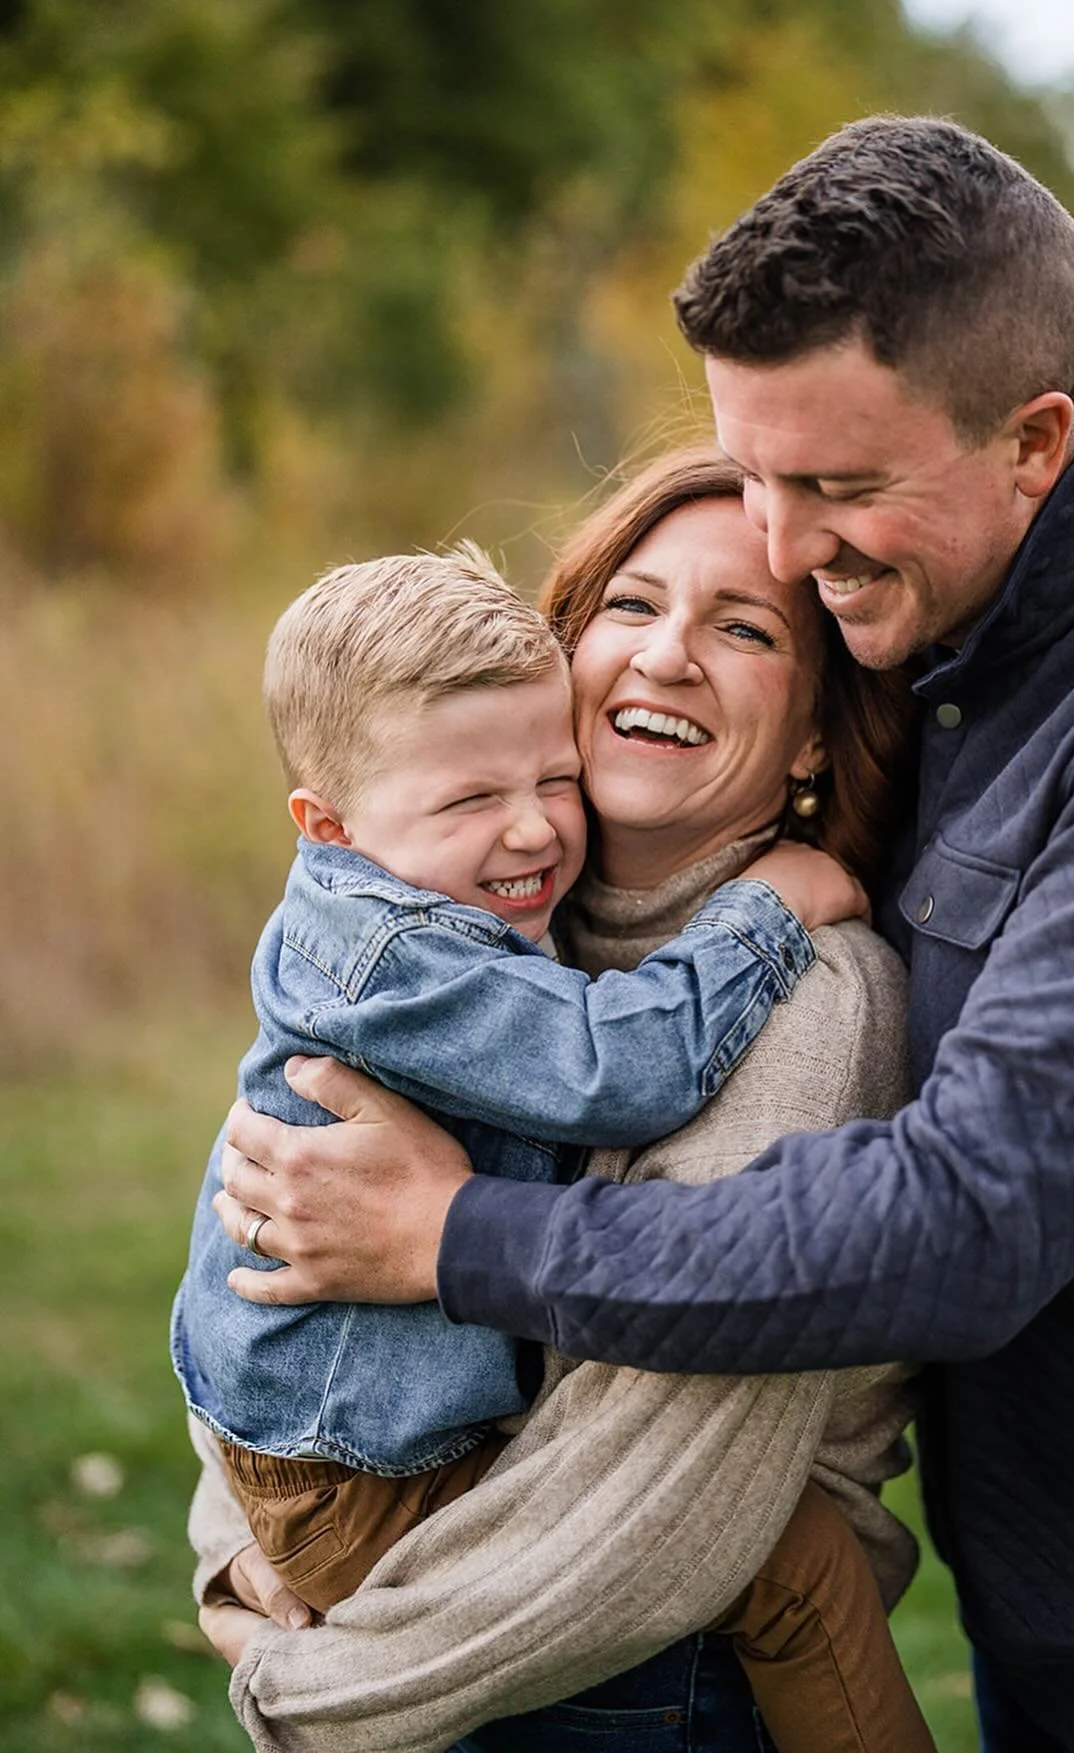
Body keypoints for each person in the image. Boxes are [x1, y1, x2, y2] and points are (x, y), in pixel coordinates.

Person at [217, 115, 1074, 1753]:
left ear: (1034, 439)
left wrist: (452, 1240)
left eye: (837, 484)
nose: (781, 545)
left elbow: (967, 1216)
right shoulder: (960, 638)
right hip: (1066, 1589)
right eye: (758, 472)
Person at [192, 457, 933, 1752]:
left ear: (816, 729)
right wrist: (241, 1559)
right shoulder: (478, 932)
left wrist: (319, 1684)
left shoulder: (815, 998)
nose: (668, 656)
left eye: (743, 627)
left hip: (637, 1665)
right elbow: (260, 1225)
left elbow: (652, 1463)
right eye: (632, 607)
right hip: (464, 1621)